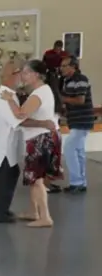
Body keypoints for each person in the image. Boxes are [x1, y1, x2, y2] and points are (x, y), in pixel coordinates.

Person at [0, 60, 57, 223]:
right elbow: (20, 120)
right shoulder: (3, 96)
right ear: (12, 76)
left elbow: (21, 115)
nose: (22, 77)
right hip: (4, 146)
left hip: (13, 145)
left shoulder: (10, 95)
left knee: (14, 175)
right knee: (7, 176)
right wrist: (43, 123)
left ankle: (2, 209)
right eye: (20, 73)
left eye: (24, 73)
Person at [60, 55, 94, 194]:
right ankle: (82, 182)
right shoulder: (66, 81)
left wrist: (62, 98)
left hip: (82, 121)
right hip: (75, 121)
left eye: (64, 66)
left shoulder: (81, 79)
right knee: (79, 151)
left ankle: (76, 182)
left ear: (73, 66)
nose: (61, 69)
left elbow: (80, 100)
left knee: (69, 148)